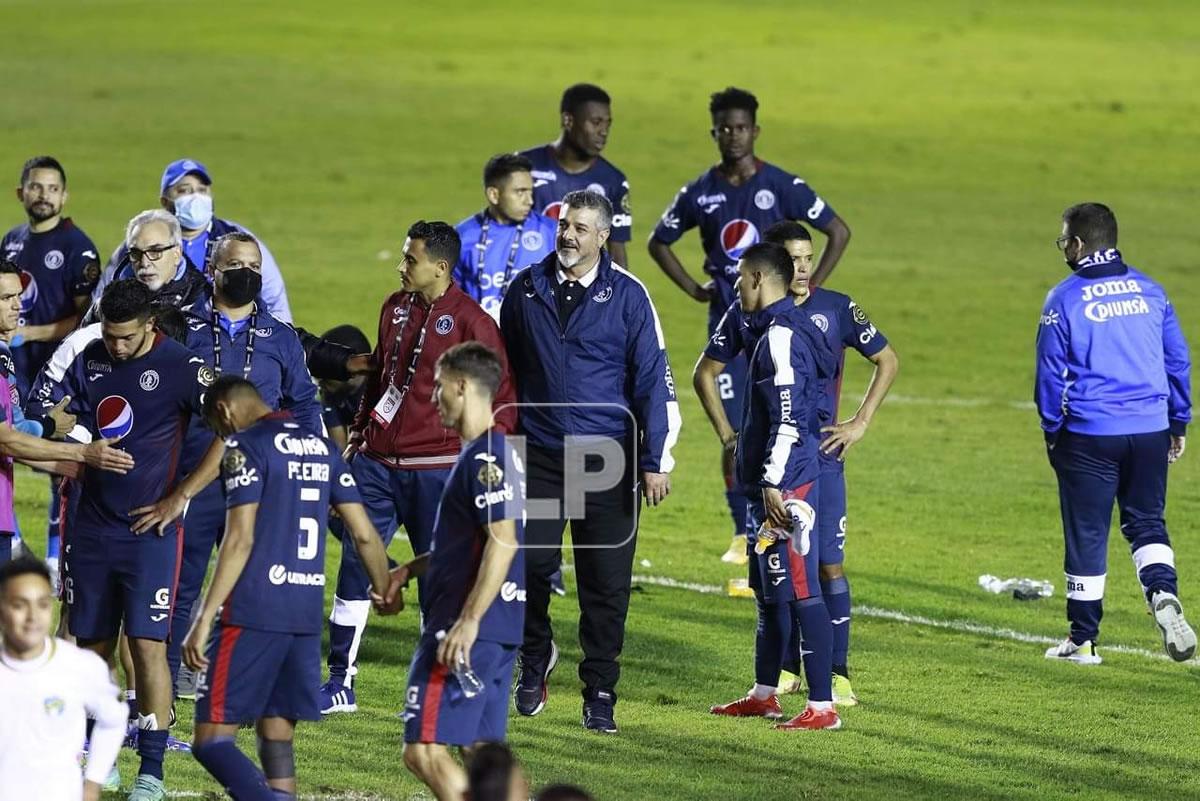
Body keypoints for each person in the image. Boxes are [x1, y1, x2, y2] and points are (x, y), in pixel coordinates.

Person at [694, 221, 898, 703]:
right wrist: (731, 438)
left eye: (808, 258)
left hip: (806, 462)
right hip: (776, 462)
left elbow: (884, 361)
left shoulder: (822, 315)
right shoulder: (753, 315)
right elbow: (706, 372)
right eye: (795, 259)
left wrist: (859, 422)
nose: (804, 268)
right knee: (773, 576)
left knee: (819, 569)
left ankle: (831, 682)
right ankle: (778, 677)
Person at [500, 189, 680, 733]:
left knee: (605, 584)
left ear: (603, 236)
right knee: (526, 567)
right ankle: (536, 654)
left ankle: (600, 690)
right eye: (564, 225)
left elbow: (654, 380)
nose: (568, 236)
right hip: (537, 453)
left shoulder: (629, 296)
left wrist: (657, 458)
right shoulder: (525, 289)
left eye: (581, 228)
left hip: (605, 458)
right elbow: (505, 373)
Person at [648, 87, 851, 564]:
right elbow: (659, 241)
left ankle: (793, 515)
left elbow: (838, 231)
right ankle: (744, 529)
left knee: (785, 425)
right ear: (714, 132)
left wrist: (810, 286)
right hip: (731, 331)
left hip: (782, 333)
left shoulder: (781, 185)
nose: (733, 135)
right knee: (738, 430)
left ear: (755, 131)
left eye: (741, 127)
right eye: (725, 128)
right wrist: (694, 288)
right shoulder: (701, 192)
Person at [320, 221, 516, 714]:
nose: (401, 266)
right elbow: (381, 379)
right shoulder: (394, 306)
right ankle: (340, 681)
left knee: (439, 578)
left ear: (441, 267)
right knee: (355, 562)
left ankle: (437, 684)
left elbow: (502, 399)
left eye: (411, 259)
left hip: (437, 467)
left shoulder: (474, 324)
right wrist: (359, 434)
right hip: (376, 462)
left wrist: (489, 458)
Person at [181, 376, 395, 801]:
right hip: (303, 614)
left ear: (224, 411)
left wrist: (202, 619)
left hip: (252, 611)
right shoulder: (323, 449)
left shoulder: (244, 447)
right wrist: (385, 589)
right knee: (276, 734)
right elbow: (364, 534)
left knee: (212, 741)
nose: (222, 437)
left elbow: (239, 539)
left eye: (218, 430)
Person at [55, 279, 213, 801]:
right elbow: (63, 414)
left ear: (150, 324)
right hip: (92, 528)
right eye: (110, 336)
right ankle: (98, 761)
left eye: (126, 337)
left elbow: (233, 427)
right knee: (91, 650)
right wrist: (66, 432)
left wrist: (180, 496)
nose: (117, 347)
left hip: (150, 533)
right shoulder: (92, 357)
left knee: (147, 648)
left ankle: (152, 772)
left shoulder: (182, 366)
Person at [161, 232, 323, 699]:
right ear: (213, 270)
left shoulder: (280, 337)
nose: (247, 274)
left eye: (254, 267)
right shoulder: (181, 326)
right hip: (193, 477)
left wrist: (305, 461)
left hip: (261, 481)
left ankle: (232, 680)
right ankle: (168, 680)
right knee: (181, 582)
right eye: (236, 266)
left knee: (251, 585)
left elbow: (304, 403)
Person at [1036, 202, 1195, 664]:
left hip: (1089, 434)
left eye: (1064, 240)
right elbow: (1178, 361)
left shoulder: (1063, 299)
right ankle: (1162, 591)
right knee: (1147, 522)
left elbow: (1049, 374)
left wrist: (1052, 431)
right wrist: (1178, 422)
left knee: (1088, 533)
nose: (1063, 248)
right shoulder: (1151, 291)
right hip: (1150, 429)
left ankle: (1083, 640)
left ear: (1078, 244)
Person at [704, 242, 841, 731]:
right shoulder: (773, 330)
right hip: (773, 480)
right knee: (768, 592)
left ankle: (822, 707)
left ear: (759, 279)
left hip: (787, 484)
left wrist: (771, 482)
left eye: (741, 278)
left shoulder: (781, 337)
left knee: (802, 592)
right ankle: (764, 694)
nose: (737, 285)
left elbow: (789, 419)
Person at [395, 342, 526, 801]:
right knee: (482, 755)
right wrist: (408, 570)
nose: (433, 397)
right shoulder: (500, 453)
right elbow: (466, 546)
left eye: (439, 387)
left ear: (463, 386)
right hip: (500, 627)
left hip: (467, 629)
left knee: (424, 750)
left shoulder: (485, 458)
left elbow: (503, 539)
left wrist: (468, 621)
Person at [2, 156, 102, 572]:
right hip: (14, 369)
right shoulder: (12, 240)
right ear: (21, 192)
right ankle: (21, 548)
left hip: (54, 375)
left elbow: (85, 318)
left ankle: (54, 558)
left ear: (64, 196)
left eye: (52, 188)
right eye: (36, 187)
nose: (44, 195)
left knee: (53, 465)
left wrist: (30, 334)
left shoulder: (78, 248)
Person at [93, 159, 292, 322]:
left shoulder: (236, 238)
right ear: (165, 201)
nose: (195, 197)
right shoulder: (140, 244)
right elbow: (104, 300)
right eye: (184, 191)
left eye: (202, 190)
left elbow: (273, 297)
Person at [0, 556, 127, 801]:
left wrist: (93, 782)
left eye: (42, 604)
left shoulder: (79, 666)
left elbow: (114, 719)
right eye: (19, 605)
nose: (32, 616)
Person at [519, 84, 633, 269]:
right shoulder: (524, 167)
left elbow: (617, 253)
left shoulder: (613, 181)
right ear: (568, 120)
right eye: (596, 122)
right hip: (528, 277)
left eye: (607, 124)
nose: (603, 131)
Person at [455, 153, 556, 321]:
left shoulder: (551, 233)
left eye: (530, 192)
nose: (530, 201)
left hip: (533, 333)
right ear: (494, 195)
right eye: (520, 192)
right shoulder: (463, 237)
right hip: (479, 332)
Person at [317, 324, 371, 451]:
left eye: (326, 373)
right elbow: (338, 449)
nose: (320, 382)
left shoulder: (379, 395)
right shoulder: (332, 391)